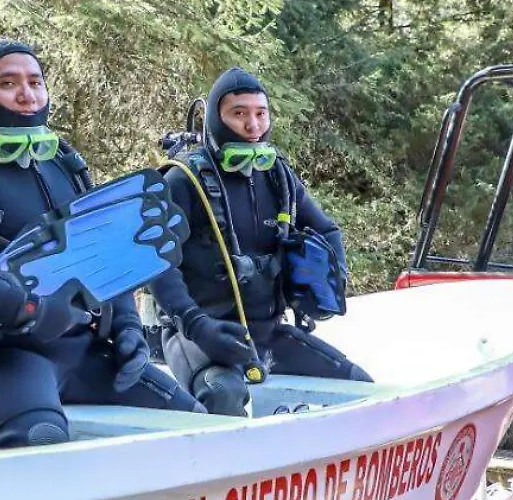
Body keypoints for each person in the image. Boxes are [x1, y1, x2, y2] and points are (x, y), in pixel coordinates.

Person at [0, 38, 202, 449]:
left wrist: (128, 326)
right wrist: (23, 307)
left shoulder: (65, 164)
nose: (26, 94)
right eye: (8, 83)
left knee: (198, 426)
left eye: (35, 81)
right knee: (39, 440)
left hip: (81, 349)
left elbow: (112, 250)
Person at [149, 67, 370, 416]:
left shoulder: (277, 176)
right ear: (215, 119)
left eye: (260, 113)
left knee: (357, 385)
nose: (253, 126)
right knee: (223, 393)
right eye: (239, 114)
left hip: (265, 332)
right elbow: (157, 263)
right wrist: (194, 323)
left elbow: (327, 231)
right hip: (198, 336)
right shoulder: (183, 180)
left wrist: (329, 282)